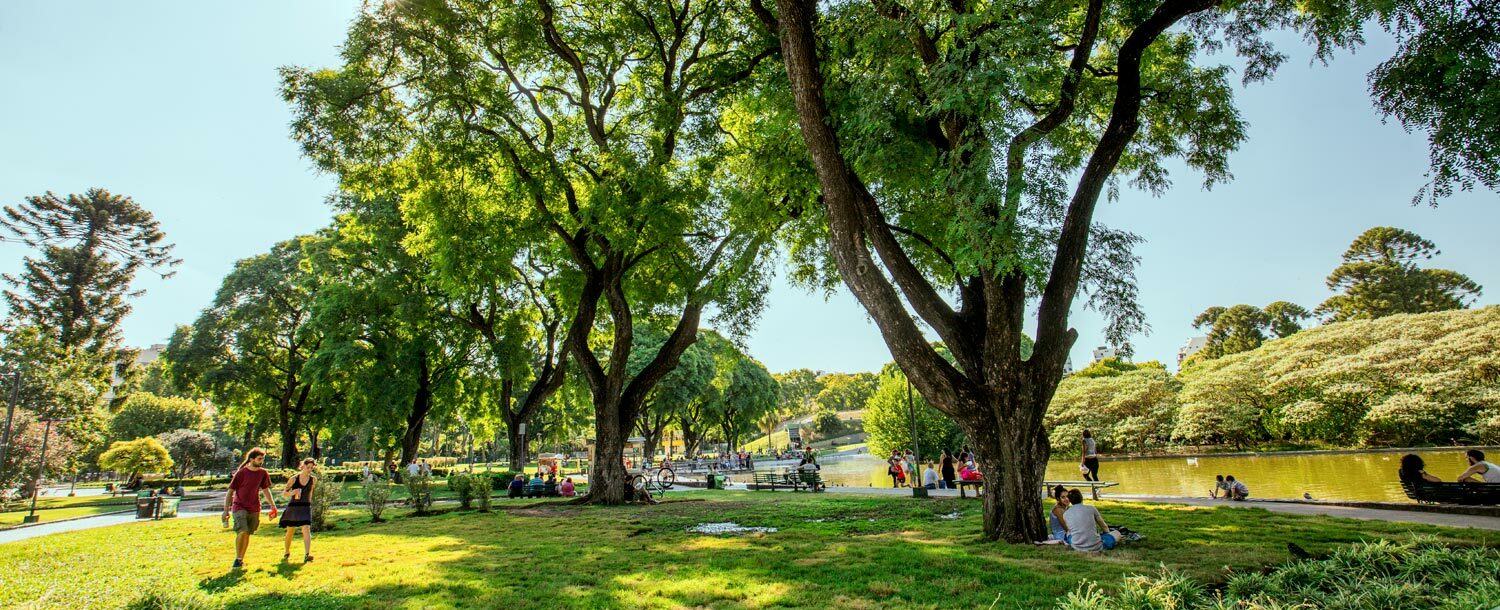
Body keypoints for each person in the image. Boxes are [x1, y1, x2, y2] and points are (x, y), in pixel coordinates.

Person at [223, 448, 278, 569]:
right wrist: (226, 510)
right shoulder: (241, 473)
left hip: (254, 507)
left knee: (247, 533)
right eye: (259, 459)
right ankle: (237, 558)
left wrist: (273, 506)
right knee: (242, 531)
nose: (261, 461)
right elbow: (230, 491)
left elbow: (266, 490)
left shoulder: (263, 473)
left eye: (262, 459)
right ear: (252, 459)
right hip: (239, 506)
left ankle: (241, 559)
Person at [279, 458, 317, 563]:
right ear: (302, 466)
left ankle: (307, 554)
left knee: (306, 528)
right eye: (308, 467)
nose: (309, 470)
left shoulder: (313, 479)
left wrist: (310, 504)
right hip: (293, 507)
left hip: (305, 506)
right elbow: (284, 493)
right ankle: (287, 552)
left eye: (311, 468)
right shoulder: (294, 479)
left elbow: (310, 493)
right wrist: (292, 492)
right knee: (290, 530)